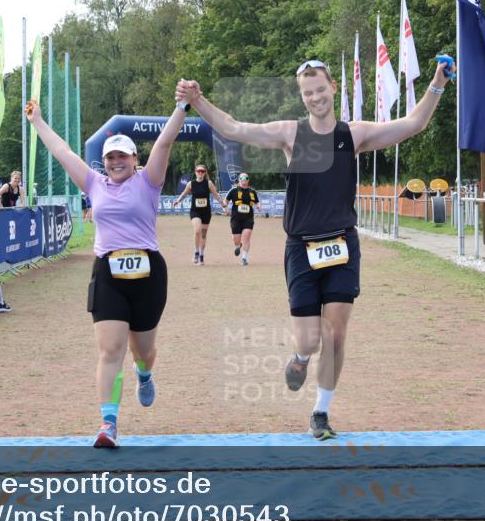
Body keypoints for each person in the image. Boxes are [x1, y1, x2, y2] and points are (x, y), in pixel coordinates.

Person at [177, 57, 452, 440]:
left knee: (336, 334)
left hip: (342, 243)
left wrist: (436, 83)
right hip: (302, 248)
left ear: (333, 88)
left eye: (320, 89)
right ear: (302, 97)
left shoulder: (353, 135)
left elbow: (413, 125)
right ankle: (301, 357)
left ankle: (320, 412)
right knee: (309, 338)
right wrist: (198, 100)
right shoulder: (291, 134)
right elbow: (235, 128)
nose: (315, 97)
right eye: (308, 93)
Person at [26, 91, 187, 448]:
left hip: (148, 274)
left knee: (143, 350)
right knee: (110, 348)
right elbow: (63, 152)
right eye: (110, 157)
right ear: (104, 162)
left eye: (122, 156)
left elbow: (164, 143)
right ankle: (108, 424)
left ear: (134, 158)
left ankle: (144, 374)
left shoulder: (148, 182)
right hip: (108, 274)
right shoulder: (94, 184)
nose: (116, 162)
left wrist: (179, 107)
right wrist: (37, 121)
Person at [171, 165, 225, 265]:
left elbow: (216, 195)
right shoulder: (191, 184)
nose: (200, 173)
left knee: (203, 235)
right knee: (197, 231)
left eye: (202, 171)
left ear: (205, 173)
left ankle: (201, 254)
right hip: (195, 211)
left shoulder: (209, 183)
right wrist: (178, 201)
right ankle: (196, 251)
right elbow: (184, 193)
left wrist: (223, 205)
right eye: (198, 171)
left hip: (206, 212)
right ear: (195, 172)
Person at [223, 172, 264, 266]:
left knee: (247, 236)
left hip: (248, 218)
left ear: (248, 180)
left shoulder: (252, 192)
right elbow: (225, 200)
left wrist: (259, 206)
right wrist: (225, 208)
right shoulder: (233, 190)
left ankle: (244, 258)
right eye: (242, 178)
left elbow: (257, 202)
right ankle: (238, 245)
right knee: (236, 240)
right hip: (235, 218)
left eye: (246, 178)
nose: (244, 179)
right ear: (239, 179)